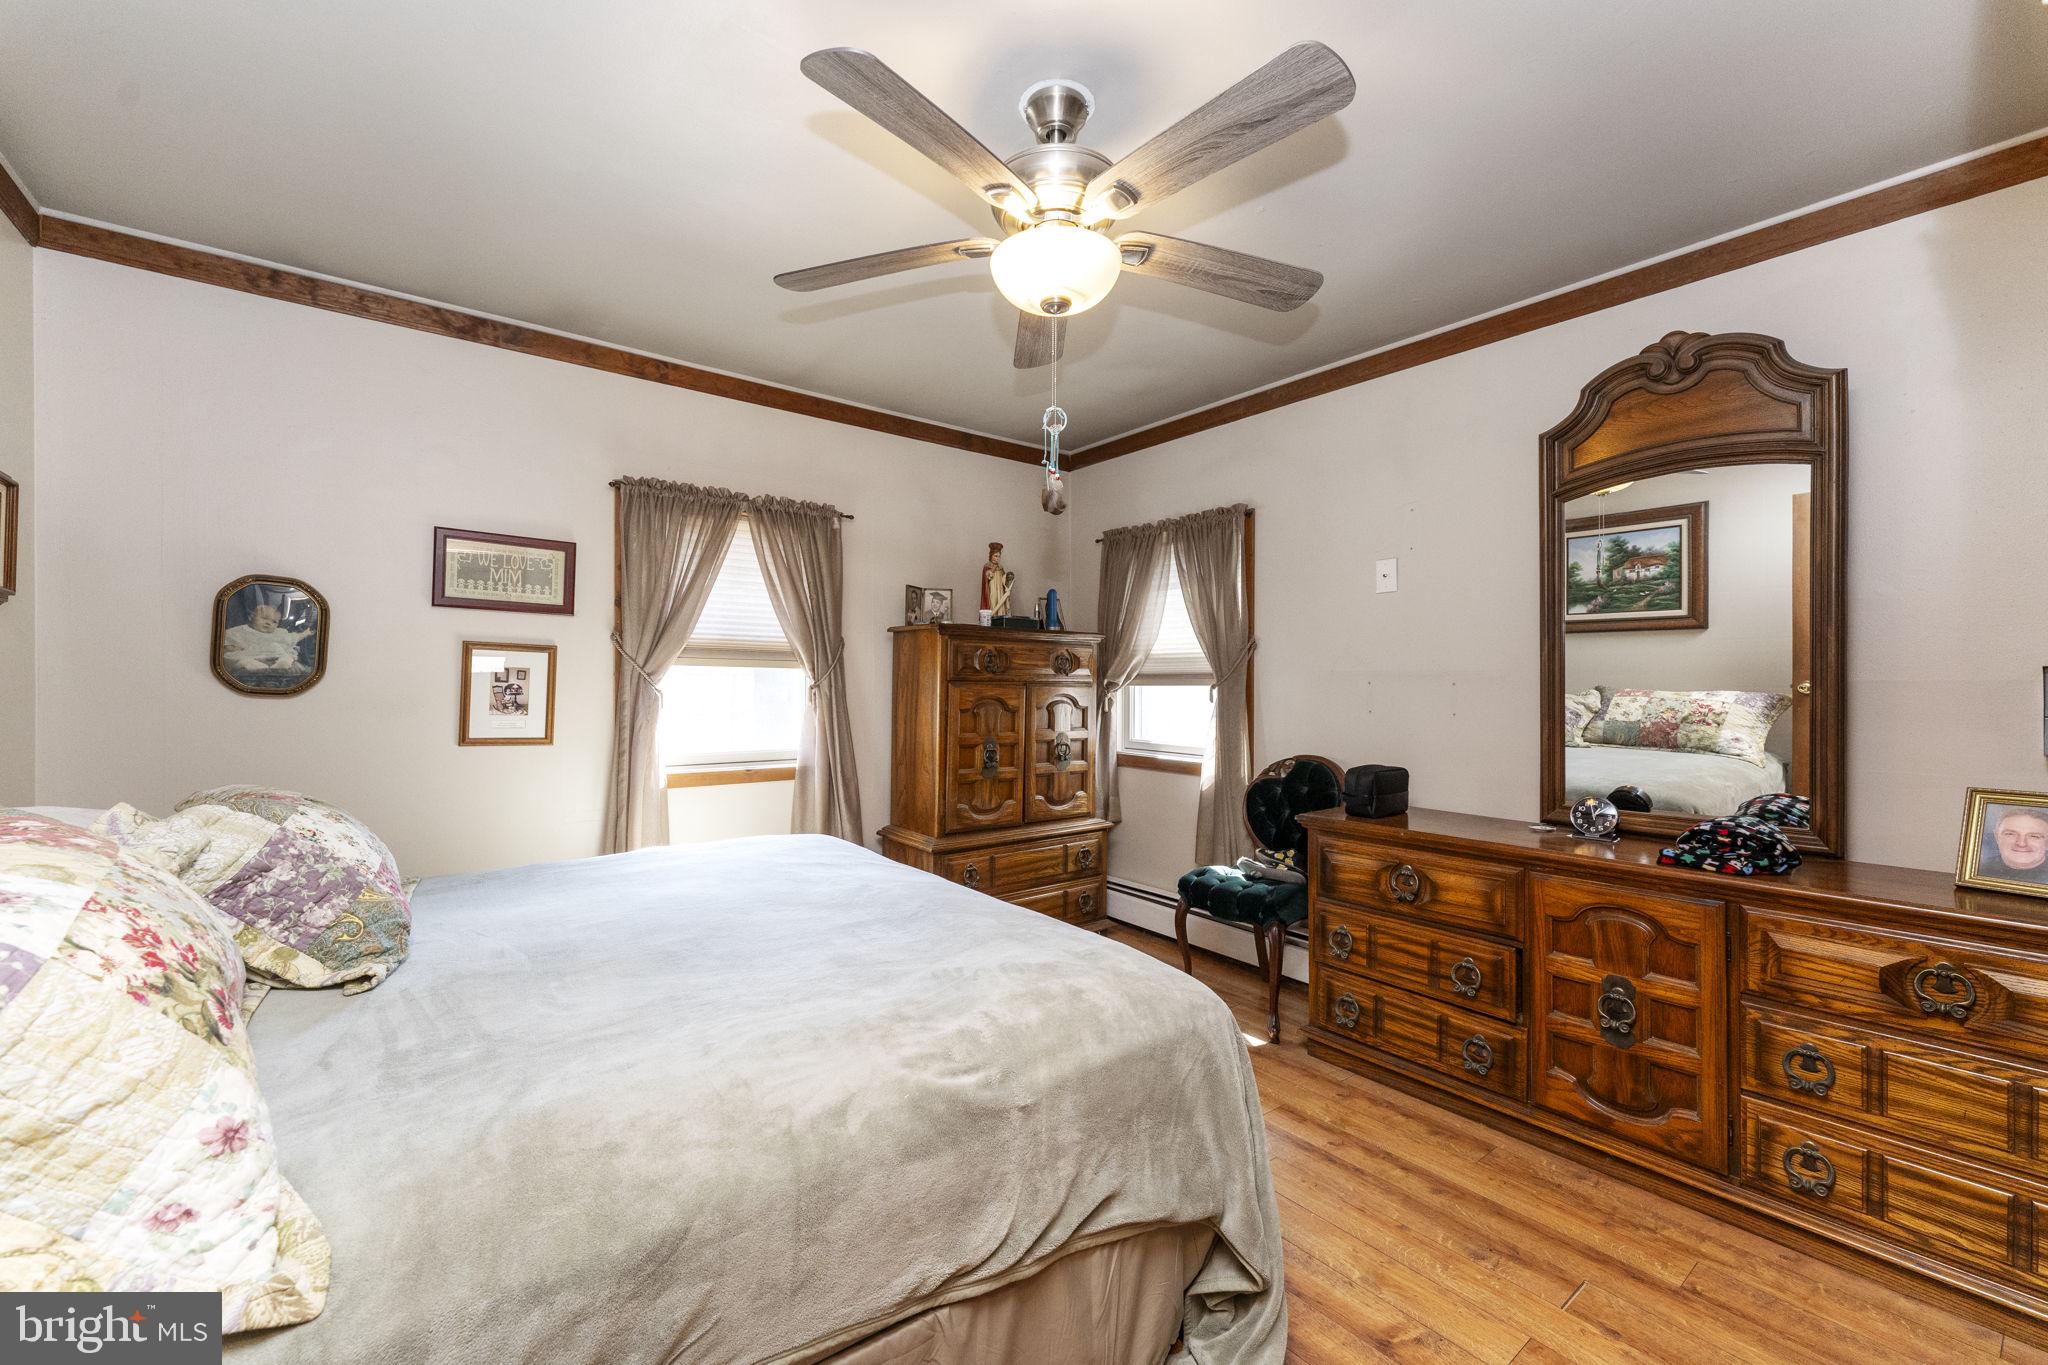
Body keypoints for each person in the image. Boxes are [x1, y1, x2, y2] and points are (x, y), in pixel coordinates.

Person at [222, 600, 310, 679]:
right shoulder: (240, 630)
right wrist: (230, 647)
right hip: (250, 655)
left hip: (274, 656)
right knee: (242, 660)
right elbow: (228, 638)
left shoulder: (278, 633)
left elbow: (291, 638)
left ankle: (282, 664)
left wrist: (305, 634)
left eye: (274, 622)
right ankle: (254, 666)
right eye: (264, 618)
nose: (268, 623)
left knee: (287, 657)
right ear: (251, 617)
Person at [1986, 806, 2048, 886]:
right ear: (1997, 837)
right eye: (2010, 834)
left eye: (2034, 836)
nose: (2021, 844)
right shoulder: (1975, 871)